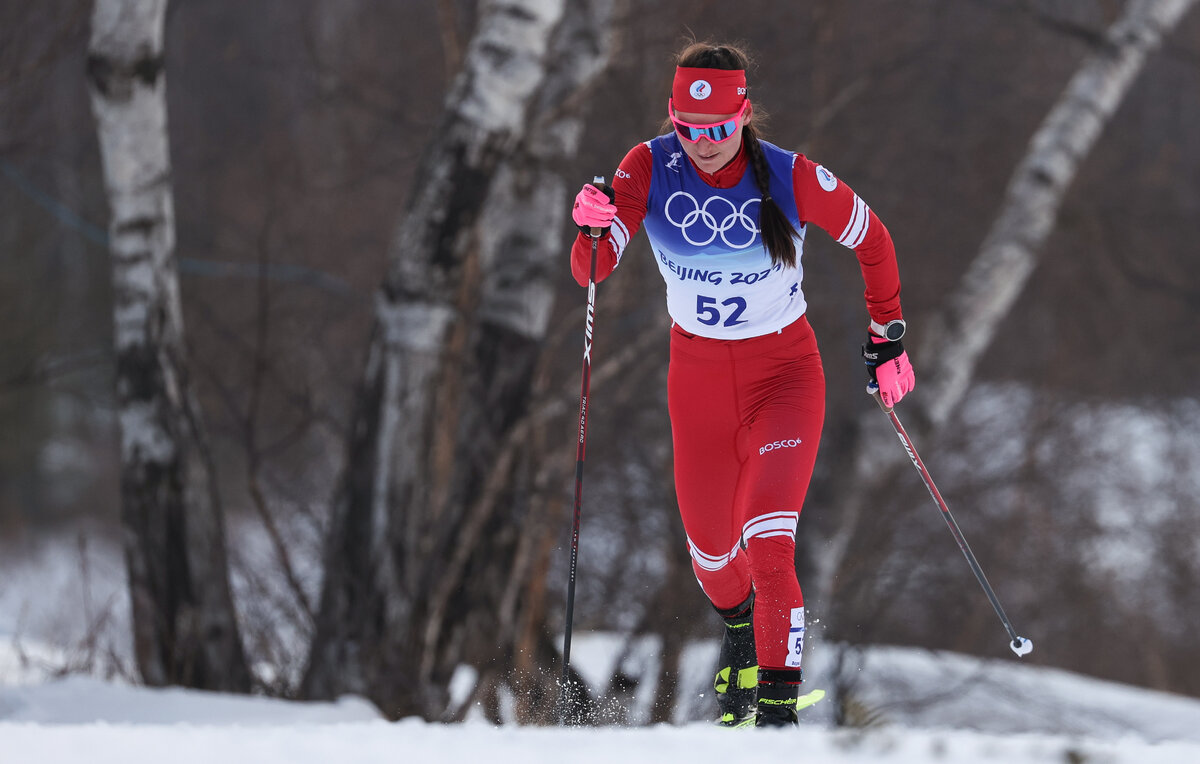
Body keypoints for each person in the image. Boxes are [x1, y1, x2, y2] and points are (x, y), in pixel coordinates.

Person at [569, 42, 914, 728]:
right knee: (714, 560)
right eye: (688, 129)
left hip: (783, 376)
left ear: (744, 114)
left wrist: (887, 337)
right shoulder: (647, 166)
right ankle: (740, 629)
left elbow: (873, 238)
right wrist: (589, 226)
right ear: (673, 118)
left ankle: (777, 718)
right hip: (696, 384)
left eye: (719, 129)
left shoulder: (791, 177)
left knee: (769, 543)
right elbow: (593, 271)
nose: (702, 144)